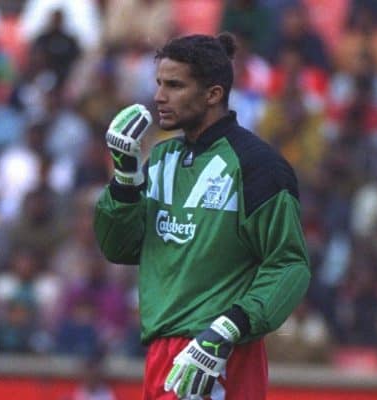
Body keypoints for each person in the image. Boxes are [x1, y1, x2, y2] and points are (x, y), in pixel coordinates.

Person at [93, 33, 311, 400]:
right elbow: (120, 248)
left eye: (175, 85)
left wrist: (229, 329)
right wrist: (125, 179)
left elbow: (290, 265)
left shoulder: (258, 166)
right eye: (159, 83)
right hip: (162, 351)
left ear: (213, 94)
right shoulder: (161, 157)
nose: (159, 96)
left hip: (220, 351)